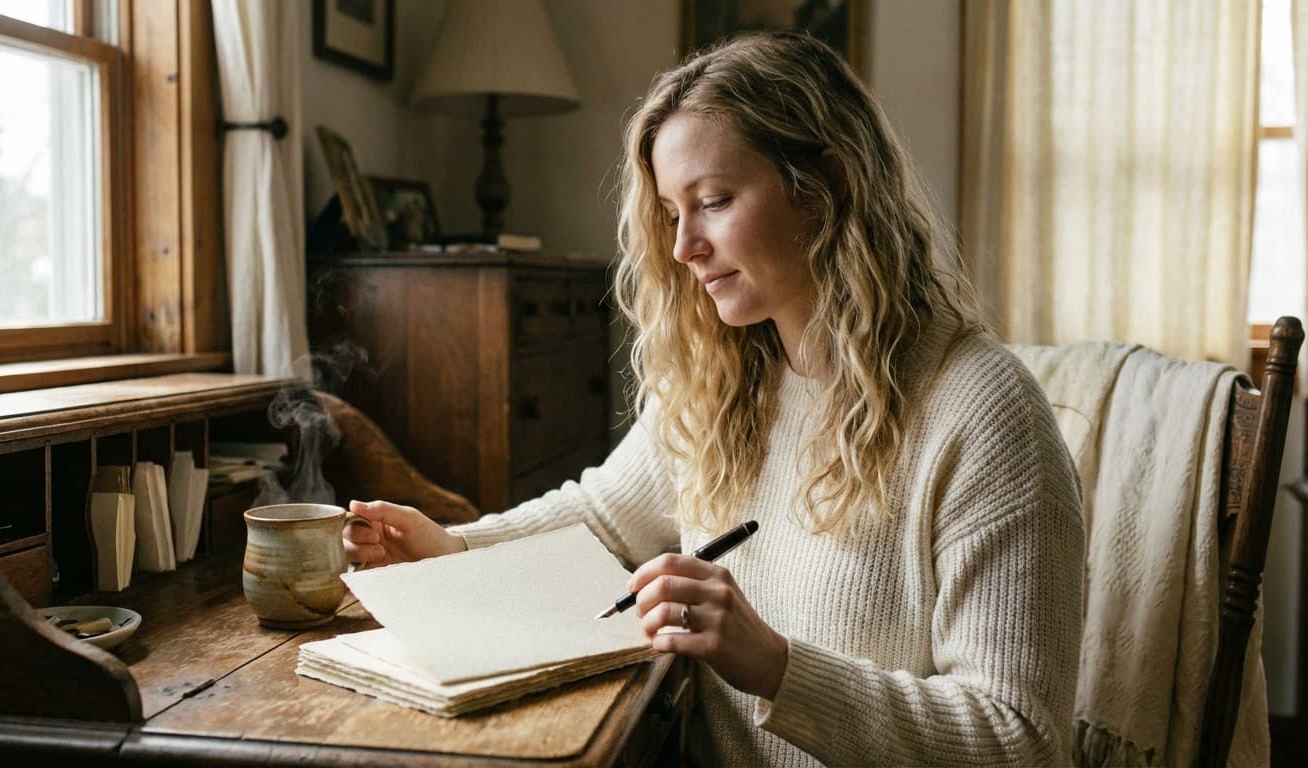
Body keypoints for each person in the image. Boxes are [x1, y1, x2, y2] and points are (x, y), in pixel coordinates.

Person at [344, 30, 1083, 767]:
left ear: (826, 186)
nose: (682, 247)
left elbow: (1017, 737)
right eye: (672, 213)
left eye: (715, 201)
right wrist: (456, 548)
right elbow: (605, 518)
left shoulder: (982, 411)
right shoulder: (730, 373)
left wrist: (775, 665)